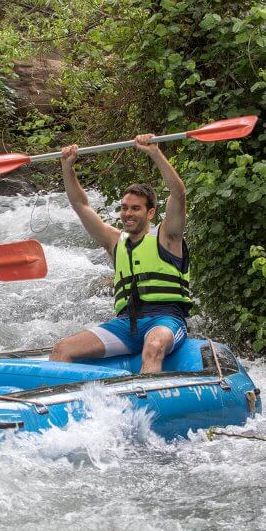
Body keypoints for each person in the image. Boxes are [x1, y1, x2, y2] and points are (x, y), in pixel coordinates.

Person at [50, 134, 192, 373]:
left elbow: (178, 193)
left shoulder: (168, 237)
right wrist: (68, 168)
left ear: (150, 213)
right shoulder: (114, 241)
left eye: (136, 208)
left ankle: (148, 405)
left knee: (153, 346)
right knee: (62, 349)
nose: (128, 213)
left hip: (165, 320)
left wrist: (155, 153)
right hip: (126, 325)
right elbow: (80, 205)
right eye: (124, 208)